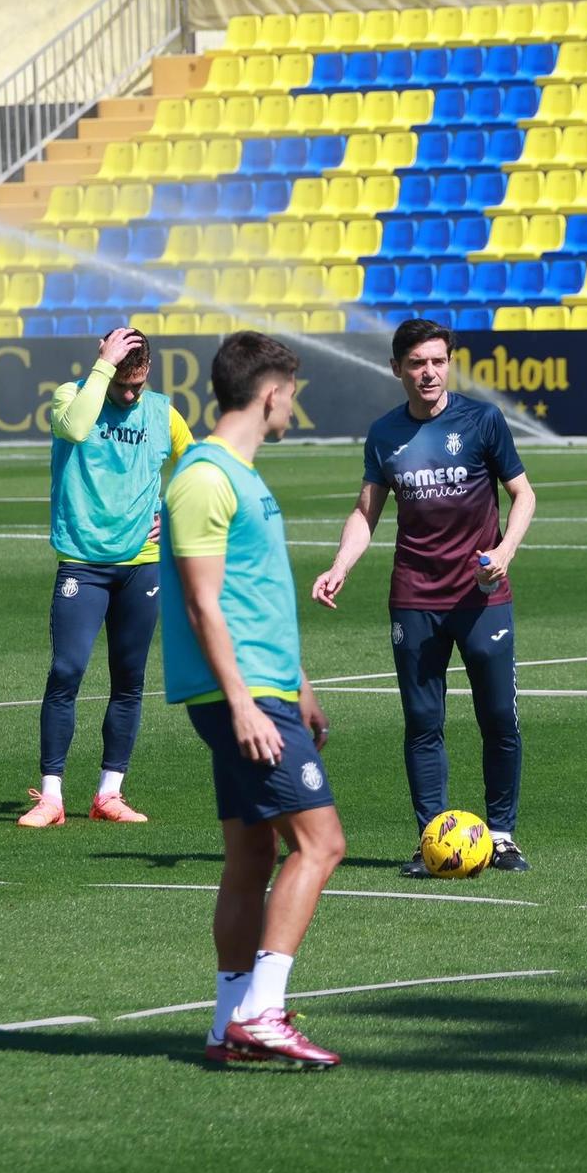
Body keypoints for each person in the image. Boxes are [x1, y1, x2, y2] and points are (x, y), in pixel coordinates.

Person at [158, 331, 346, 1068]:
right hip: (241, 698)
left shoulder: (238, 474)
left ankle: (225, 1022)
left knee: (251, 850)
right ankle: (264, 1010)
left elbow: (253, 598)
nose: (293, 407)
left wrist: (299, 685)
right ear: (271, 393)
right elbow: (204, 604)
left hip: (266, 690)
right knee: (322, 843)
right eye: (291, 393)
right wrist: (242, 703)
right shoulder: (205, 477)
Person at [310, 318, 538, 877]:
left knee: (499, 719)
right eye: (417, 363)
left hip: (482, 595)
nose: (429, 372)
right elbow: (367, 513)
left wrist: (505, 551)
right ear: (397, 369)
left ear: (449, 364)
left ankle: (502, 835)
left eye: (438, 361)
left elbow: (523, 494)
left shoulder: (483, 420)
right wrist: (341, 564)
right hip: (414, 596)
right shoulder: (384, 434)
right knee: (421, 721)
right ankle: (432, 838)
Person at [16, 328, 194, 828]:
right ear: (106, 367)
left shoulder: (162, 412)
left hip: (142, 563)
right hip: (82, 562)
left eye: (139, 384)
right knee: (67, 671)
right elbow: (72, 430)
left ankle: (108, 793)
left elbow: (199, 467)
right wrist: (103, 370)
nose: (131, 394)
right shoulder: (73, 397)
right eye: (123, 383)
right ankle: (51, 796)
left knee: (129, 680)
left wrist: (174, 512)